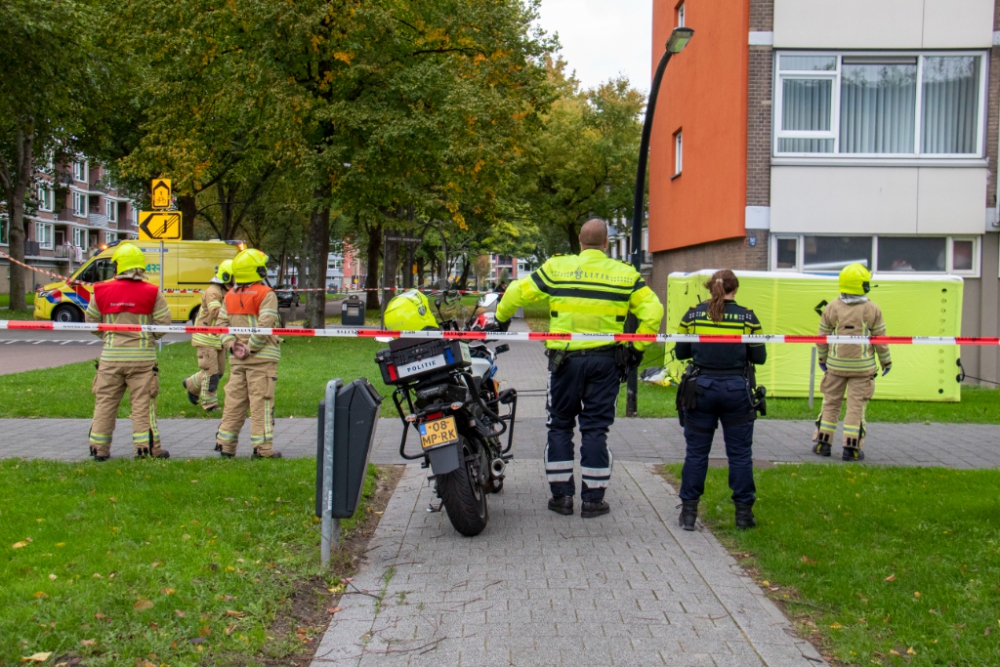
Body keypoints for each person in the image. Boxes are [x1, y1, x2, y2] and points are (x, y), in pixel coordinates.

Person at [494, 219, 663, 518]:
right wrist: (636, 350)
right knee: (595, 428)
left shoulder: (557, 269)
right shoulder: (625, 274)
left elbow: (517, 291)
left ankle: (562, 498)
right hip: (606, 362)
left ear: (580, 242)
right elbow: (653, 311)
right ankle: (593, 501)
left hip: (564, 363)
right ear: (607, 244)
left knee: (559, 425)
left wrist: (502, 317)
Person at [675, 270, 765, 531]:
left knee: (696, 454)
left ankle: (689, 514)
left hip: (700, 390)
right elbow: (759, 357)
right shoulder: (747, 317)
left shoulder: (692, 315)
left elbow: (681, 352)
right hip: (736, 390)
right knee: (739, 455)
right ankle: (744, 516)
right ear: (734, 289)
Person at [86, 242, 172, 461]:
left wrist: (108, 338)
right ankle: (146, 450)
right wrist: (148, 339)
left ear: (117, 266)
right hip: (142, 359)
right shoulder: (152, 292)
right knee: (143, 405)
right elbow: (163, 323)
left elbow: (92, 322)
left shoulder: (101, 290)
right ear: (141, 267)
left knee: (105, 403)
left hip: (111, 358)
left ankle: (99, 450)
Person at [812, 263, 891, 462]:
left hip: (835, 367)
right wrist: (886, 362)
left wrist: (823, 359)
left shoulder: (832, 307)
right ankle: (851, 448)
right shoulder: (872, 309)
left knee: (830, 404)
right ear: (863, 285)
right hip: (862, 369)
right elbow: (880, 340)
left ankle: (823, 444)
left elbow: (822, 336)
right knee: (856, 407)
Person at [214, 248, 283, 459]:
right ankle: (262, 450)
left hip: (237, 360)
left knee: (234, 403)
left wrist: (233, 345)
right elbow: (265, 324)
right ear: (258, 270)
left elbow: (221, 325)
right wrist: (249, 348)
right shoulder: (266, 294)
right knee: (261, 403)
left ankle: (225, 445)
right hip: (261, 360)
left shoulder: (230, 295)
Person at [183, 260, 233, 411]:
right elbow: (215, 312)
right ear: (227, 277)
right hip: (206, 337)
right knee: (211, 372)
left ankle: (191, 384)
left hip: (218, 338)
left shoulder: (226, 291)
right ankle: (210, 405)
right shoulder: (213, 291)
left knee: (220, 372)